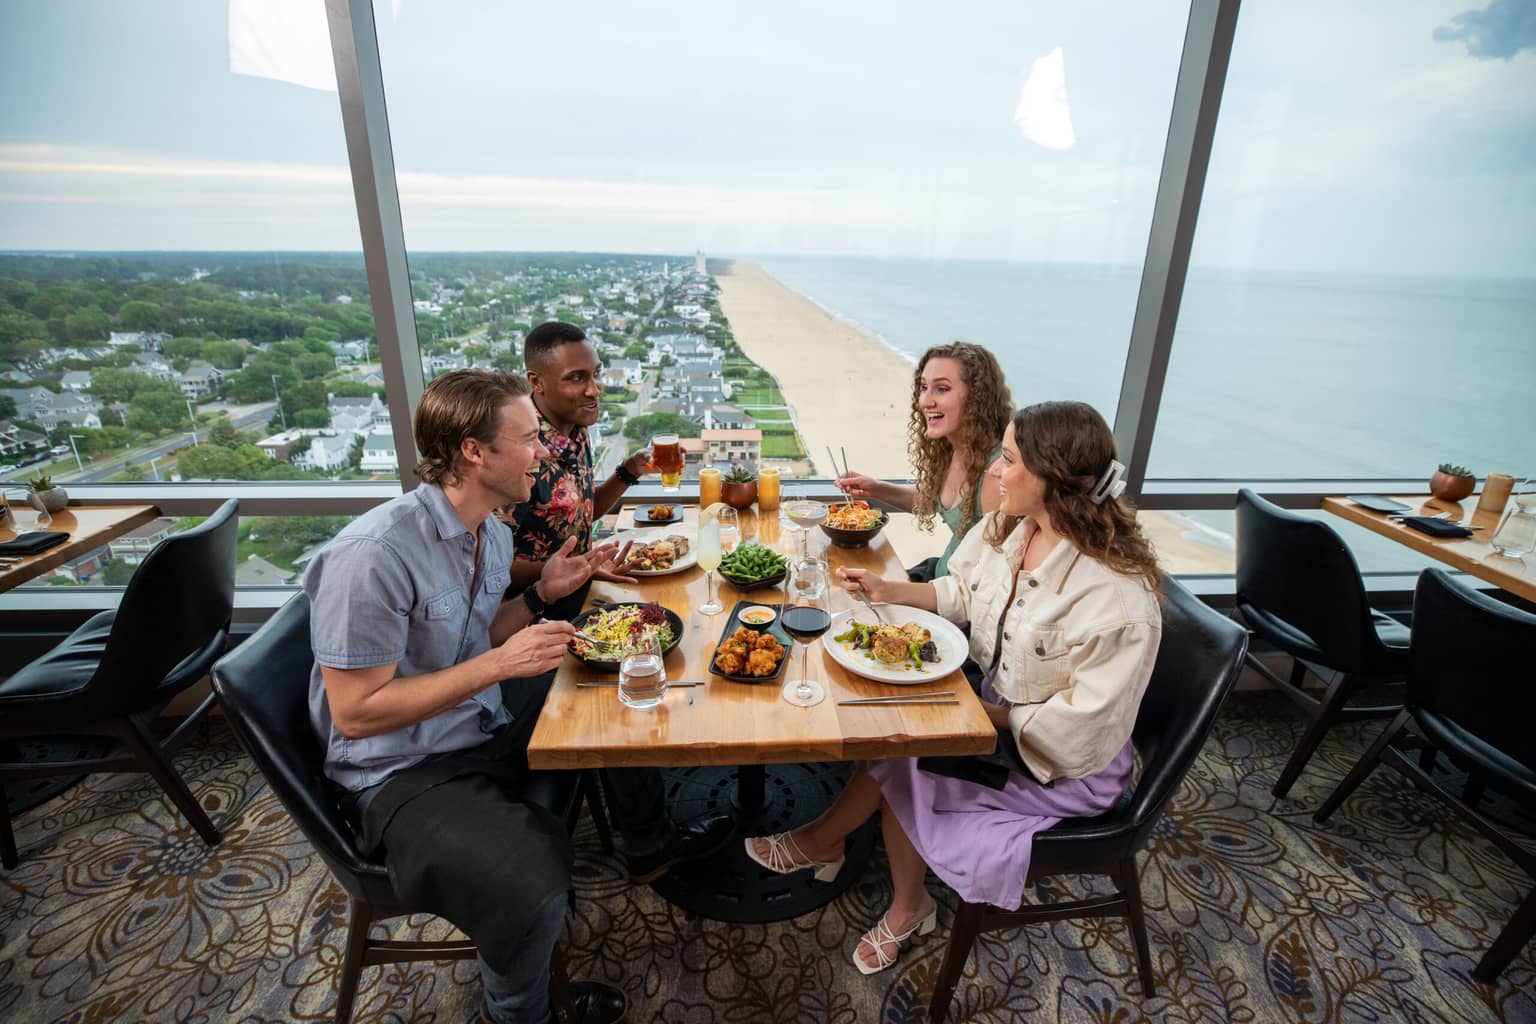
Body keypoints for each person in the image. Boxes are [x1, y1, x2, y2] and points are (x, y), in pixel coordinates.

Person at [745, 400, 1162, 975]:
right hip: (995, 709)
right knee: (901, 734)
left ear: (1053, 478)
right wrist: (885, 589)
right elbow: (961, 593)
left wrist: (975, 714)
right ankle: (858, 865)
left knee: (908, 749)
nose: (995, 469)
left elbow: (1078, 730)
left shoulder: (1115, 601)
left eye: (1010, 459)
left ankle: (882, 889)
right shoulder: (1014, 525)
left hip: (1063, 765)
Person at [306, 369, 638, 1023]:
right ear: (474, 451)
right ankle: (516, 1011)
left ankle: (646, 841)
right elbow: (357, 712)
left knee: (609, 695)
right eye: (528, 438)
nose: (544, 451)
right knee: (533, 887)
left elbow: (478, 632)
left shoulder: (492, 531)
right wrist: (496, 668)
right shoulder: (372, 555)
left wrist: (542, 593)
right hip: (398, 771)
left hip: (469, 724)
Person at [498, 321, 655, 608]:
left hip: (583, 593)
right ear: (536, 381)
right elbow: (490, 568)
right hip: (531, 617)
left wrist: (629, 470)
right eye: (577, 378)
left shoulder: (576, 427)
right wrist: (581, 567)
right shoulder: (517, 449)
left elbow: (581, 514)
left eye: (596, 374)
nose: (594, 390)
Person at [834, 342, 1012, 580]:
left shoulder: (996, 472)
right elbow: (931, 500)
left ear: (978, 397)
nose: (925, 401)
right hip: (939, 574)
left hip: (958, 599)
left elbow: (989, 578)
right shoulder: (952, 448)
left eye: (941, 389)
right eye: (924, 387)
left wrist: (901, 593)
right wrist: (875, 489)